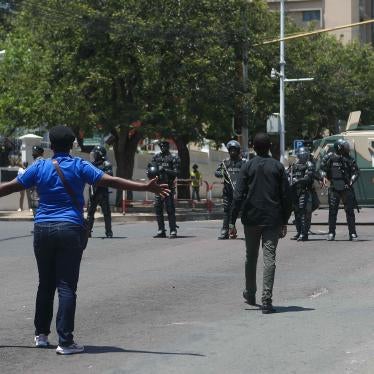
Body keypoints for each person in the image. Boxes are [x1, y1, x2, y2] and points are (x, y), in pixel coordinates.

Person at [0, 125, 169, 355]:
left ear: (51, 145)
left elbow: (10, 187)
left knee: (45, 283)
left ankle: (41, 335)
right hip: (70, 228)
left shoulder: (39, 166)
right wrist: (144, 186)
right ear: (72, 145)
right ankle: (65, 342)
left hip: (42, 229)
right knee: (66, 286)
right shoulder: (80, 165)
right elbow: (112, 181)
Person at [229, 133, 292, 314]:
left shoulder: (247, 166)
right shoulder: (278, 167)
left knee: (251, 257)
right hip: (273, 219)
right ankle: (267, 300)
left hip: (251, 219)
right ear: (270, 146)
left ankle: (250, 293)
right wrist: (285, 220)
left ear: (253, 148)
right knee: (269, 259)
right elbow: (286, 197)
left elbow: (238, 195)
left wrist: (231, 222)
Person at [319, 138, 360, 241]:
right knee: (332, 212)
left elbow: (356, 172)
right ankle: (331, 233)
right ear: (339, 147)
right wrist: (323, 176)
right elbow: (322, 168)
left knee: (350, 211)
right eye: (345, 146)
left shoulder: (350, 159)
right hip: (334, 188)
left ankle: (353, 233)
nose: (347, 148)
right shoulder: (330, 157)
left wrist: (352, 180)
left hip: (346, 187)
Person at [147, 140, 180, 239]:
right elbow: (151, 169)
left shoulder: (173, 158)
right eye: (161, 146)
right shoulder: (156, 157)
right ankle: (161, 230)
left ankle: (173, 230)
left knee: (170, 209)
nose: (162, 147)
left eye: (164, 146)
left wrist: (165, 170)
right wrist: (149, 171)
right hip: (158, 187)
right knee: (158, 208)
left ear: (168, 146)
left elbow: (176, 172)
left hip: (168, 186)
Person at [215, 140, 246, 239]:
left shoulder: (243, 163)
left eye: (235, 150)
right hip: (227, 192)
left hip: (240, 193)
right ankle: (225, 230)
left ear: (238, 151)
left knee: (244, 211)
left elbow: (249, 174)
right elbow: (216, 172)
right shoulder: (225, 163)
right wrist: (222, 173)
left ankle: (249, 231)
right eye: (231, 150)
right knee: (227, 210)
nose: (233, 152)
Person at [287, 147, 317, 241]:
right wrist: (288, 178)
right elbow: (288, 174)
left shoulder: (309, 164)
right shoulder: (294, 165)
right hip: (295, 191)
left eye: (305, 154)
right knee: (296, 213)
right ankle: (299, 232)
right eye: (301, 154)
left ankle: (304, 234)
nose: (303, 156)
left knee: (303, 212)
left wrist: (298, 180)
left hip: (305, 191)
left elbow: (308, 177)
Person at [86, 145, 113, 238]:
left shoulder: (106, 164)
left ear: (99, 154)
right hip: (93, 191)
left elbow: (109, 177)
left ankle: (109, 232)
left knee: (106, 213)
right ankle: (88, 231)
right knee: (90, 212)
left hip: (102, 191)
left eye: (95, 153)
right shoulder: (92, 164)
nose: (93, 155)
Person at [29, 145, 44, 216]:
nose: (33, 153)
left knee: (38, 216)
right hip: (36, 193)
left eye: (35, 152)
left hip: (37, 194)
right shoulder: (43, 162)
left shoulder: (37, 163)